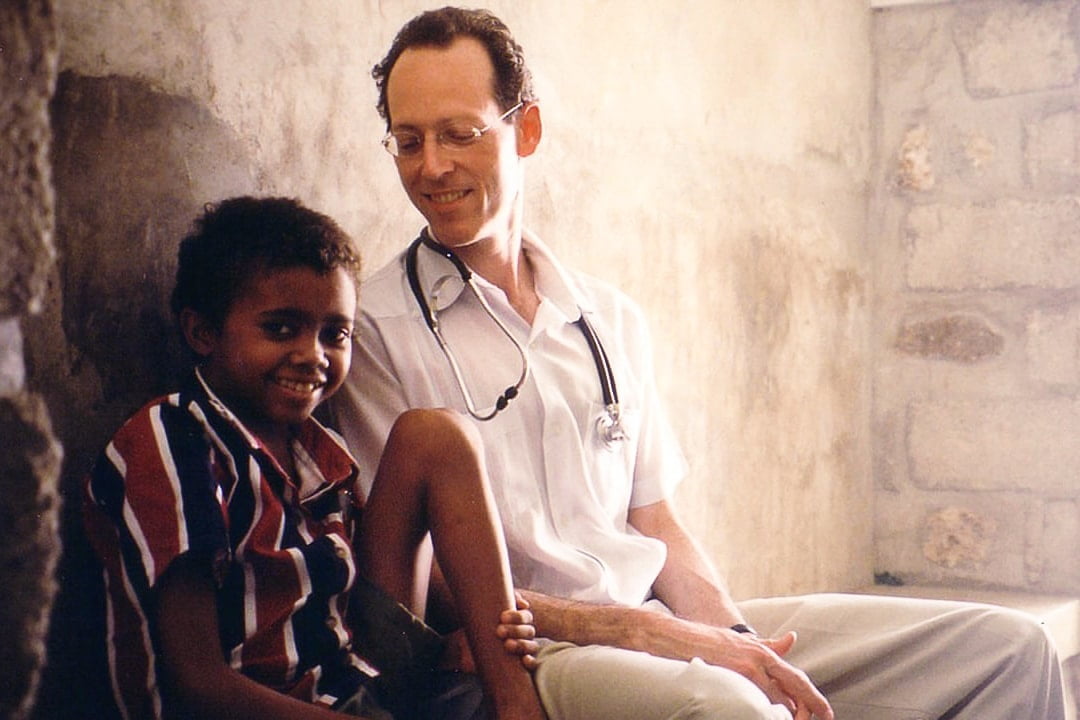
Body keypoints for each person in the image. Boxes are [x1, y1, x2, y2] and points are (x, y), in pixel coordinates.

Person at [326, 7, 1068, 720]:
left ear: (528, 129)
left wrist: (738, 642)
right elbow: (416, 579)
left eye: (459, 133)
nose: (432, 166)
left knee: (1007, 650)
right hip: (536, 651)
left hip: (654, 625)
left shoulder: (606, 318)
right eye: (408, 140)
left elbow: (657, 523)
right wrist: (651, 637)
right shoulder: (375, 331)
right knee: (726, 708)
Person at [82, 196, 545, 720]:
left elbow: (353, 608)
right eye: (280, 328)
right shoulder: (172, 439)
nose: (313, 355)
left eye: (335, 334)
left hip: (354, 687)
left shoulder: (318, 451)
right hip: (253, 709)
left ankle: (516, 705)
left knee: (437, 436)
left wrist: (457, 643)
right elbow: (197, 684)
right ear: (202, 332)